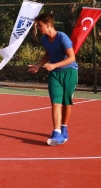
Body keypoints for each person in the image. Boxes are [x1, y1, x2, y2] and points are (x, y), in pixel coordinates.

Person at [28, 13, 78, 146]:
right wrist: (38, 65)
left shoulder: (62, 37)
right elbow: (48, 54)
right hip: (54, 75)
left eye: (40, 25)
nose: (38, 28)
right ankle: (57, 132)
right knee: (56, 103)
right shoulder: (44, 39)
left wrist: (54, 65)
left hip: (69, 72)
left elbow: (72, 57)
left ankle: (64, 127)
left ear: (48, 25)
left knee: (66, 103)